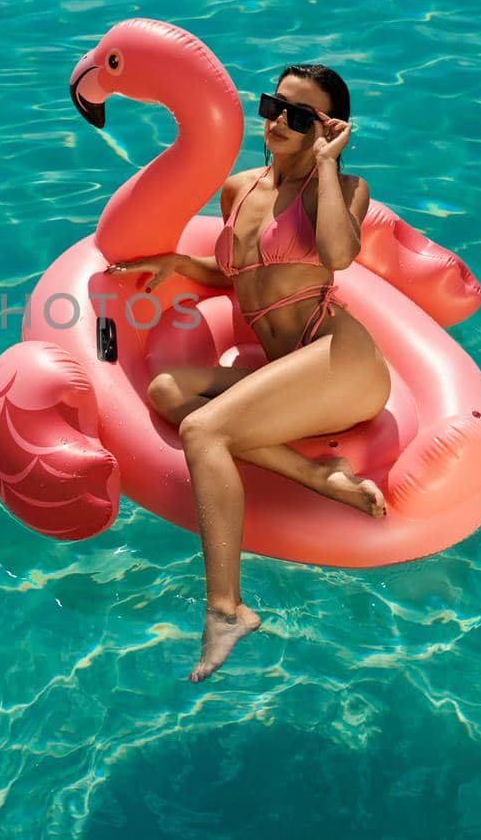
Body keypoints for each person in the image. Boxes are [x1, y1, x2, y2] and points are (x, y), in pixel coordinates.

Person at [104, 64, 393, 683]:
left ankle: (226, 610)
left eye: (299, 115)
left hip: (341, 359)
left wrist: (326, 165)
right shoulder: (239, 188)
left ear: (330, 128)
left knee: (203, 432)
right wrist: (181, 262)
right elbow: (240, 275)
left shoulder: (344, 188)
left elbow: (339, 256)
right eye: (273, 105)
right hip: (292, 370)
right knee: (166, 391)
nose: (277, 121)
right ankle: (319, 476)